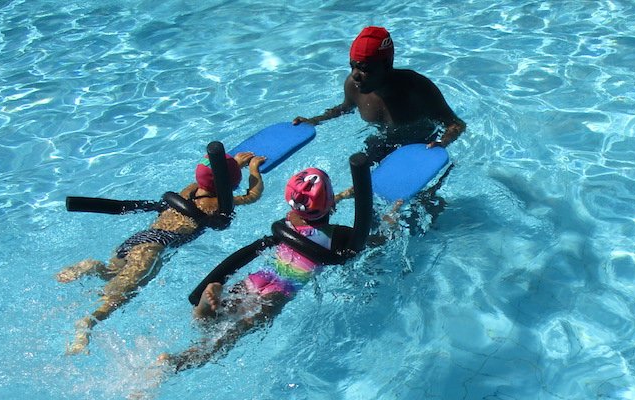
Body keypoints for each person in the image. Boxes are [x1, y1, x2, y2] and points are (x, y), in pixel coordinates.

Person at [158, 163, 375, 372]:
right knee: (236, 331)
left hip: (258, 277)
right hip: (281, 290)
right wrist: (389, 219)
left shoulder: (289, 220)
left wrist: (344, 196)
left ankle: (203, 309)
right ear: (329, 204)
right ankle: (177, 363)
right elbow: (368, 240)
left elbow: (310, 211)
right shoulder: (338, 235)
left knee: (219, 316)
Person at [57, 150, 267, 355]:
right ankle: (87, 323)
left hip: (138, 239)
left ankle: (93, 267)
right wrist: (254, 169)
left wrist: (235, 165)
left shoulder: (190, 189)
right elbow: (252, 196)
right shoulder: (214, 204)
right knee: (121, 295)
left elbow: (212, 180)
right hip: (155, 246)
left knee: (112, 273)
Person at [293, 26, 466, 163]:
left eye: (364, 68)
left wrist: (443, 143)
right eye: (352, 66)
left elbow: (456, 124)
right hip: (382, 143)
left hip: (421, 147)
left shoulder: (417, 89)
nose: (355, 74)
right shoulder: (354, 87)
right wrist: (315, 120)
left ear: (387, 64)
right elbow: (344, 108)